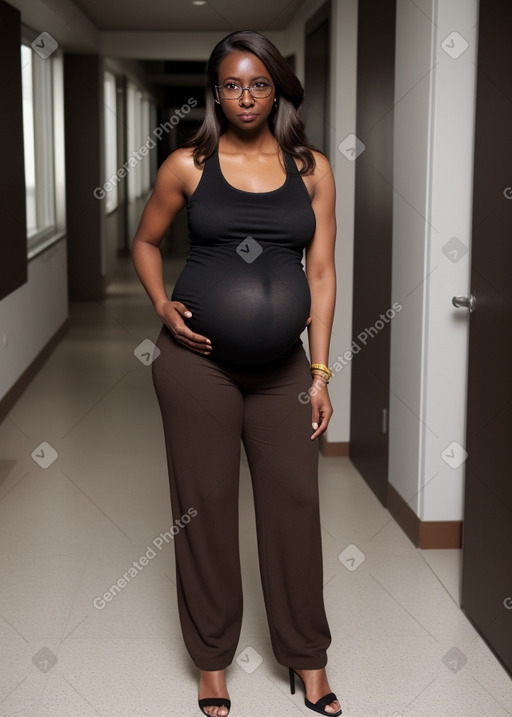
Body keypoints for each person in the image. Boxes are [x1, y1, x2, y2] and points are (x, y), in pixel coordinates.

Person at [132, 29, 340, 717]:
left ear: (275, 87)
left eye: (257, 83)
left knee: (294, 506)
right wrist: (163, 305)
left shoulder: (310, 167)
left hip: (284, 370)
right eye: (230, 84)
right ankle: (212, 661)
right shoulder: (187, 165)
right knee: (206, 509)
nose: (244, 95)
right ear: (215, 91)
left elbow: (322, 270)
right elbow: (146, 241)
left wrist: (320, 370)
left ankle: (308, 656)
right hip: (199, 368)